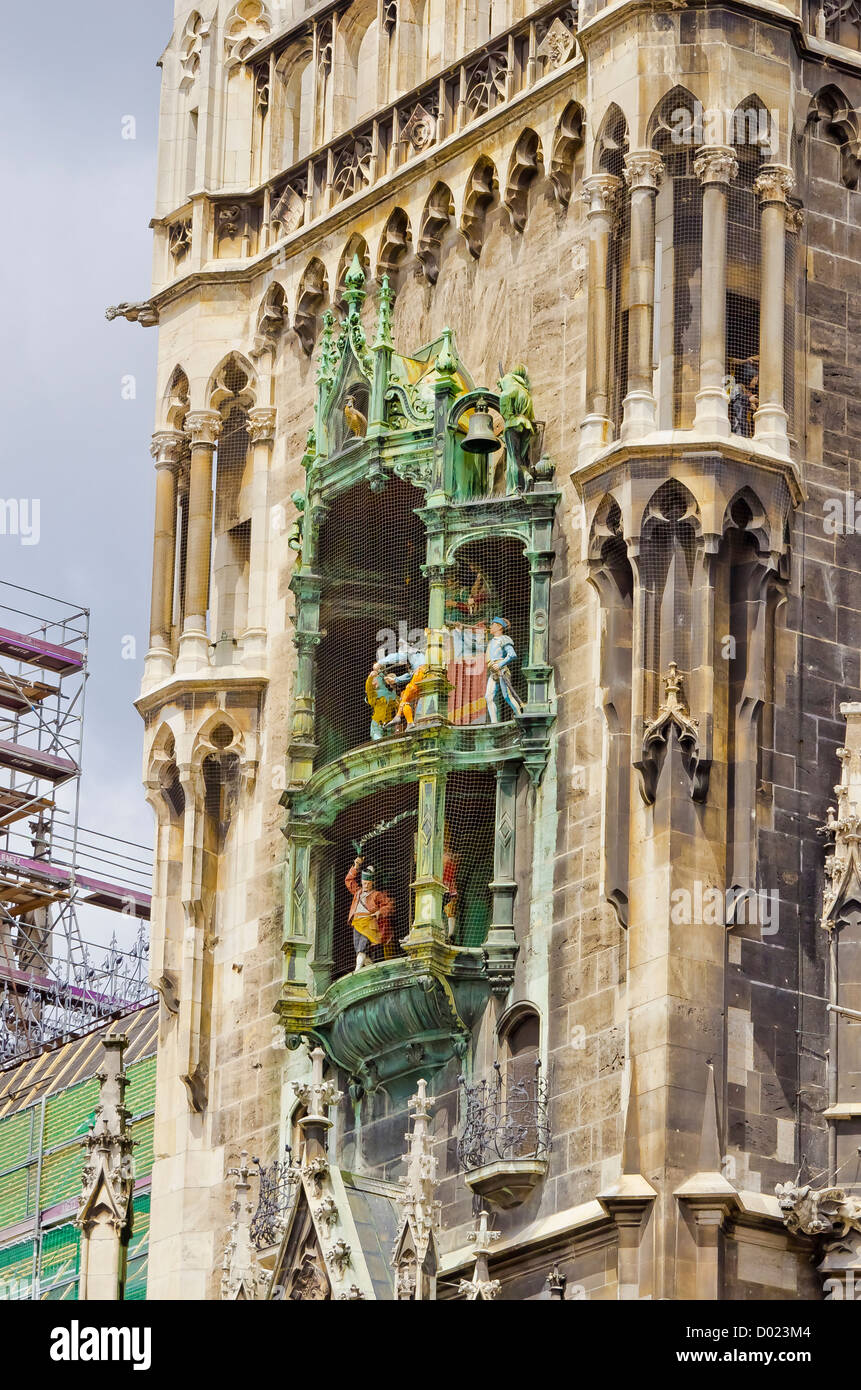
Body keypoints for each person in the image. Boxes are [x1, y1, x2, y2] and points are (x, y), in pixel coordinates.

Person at [344, 857, 395, 971]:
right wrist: (356, 866)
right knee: (359, 949)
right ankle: (373, 969)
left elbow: (390, 905)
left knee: (362, 947)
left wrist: (379, 912)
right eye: (364, 883)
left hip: (369, 923)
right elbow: (348, 881)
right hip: (357, 923)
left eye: (368, 883)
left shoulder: (376, 894)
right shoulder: (358, 892)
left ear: (373, 883)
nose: (366, 885)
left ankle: (357, 970)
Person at [496, 364, 535, 493]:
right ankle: (526, 476)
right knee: (521, 458)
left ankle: (515, 488)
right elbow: (531, 415)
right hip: (526, 426)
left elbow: (505, 405)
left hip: (513, 424)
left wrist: (508, 415)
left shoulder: (510, 386)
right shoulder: (524, 391)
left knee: (513, 458)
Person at [485, 617, 523, 724]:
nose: (490, 627)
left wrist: (500, 664)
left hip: (502, 671)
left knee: (507, 697)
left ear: (499, 627)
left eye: (492, 625)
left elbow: (512, 654)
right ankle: (494, 723)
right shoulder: (491, 641)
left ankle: (520, 717)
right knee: (488, 697)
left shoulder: (504, 639)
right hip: (493, 671)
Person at [365, 668, 403, 741]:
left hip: (390, 726)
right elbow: (369, 689)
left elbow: (399, 707)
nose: (374, 683)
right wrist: (370, 677)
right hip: (377, 725)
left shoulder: (393, 695)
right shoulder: (374, 695)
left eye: (375, 680)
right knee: (379, 741)